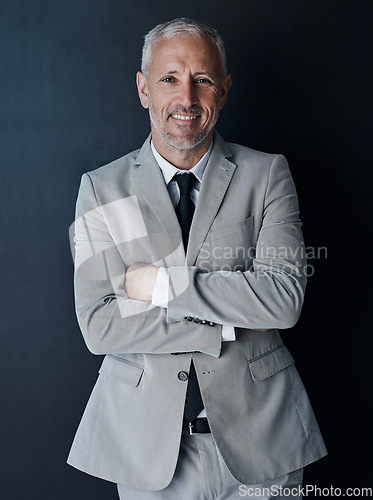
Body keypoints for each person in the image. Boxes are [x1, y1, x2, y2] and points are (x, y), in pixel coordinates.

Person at [67, 17, 327, 499]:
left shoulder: (266, 175)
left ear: (223, 91)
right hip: (147, 452)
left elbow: (284, 300)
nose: (186, 98)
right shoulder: (101, 190)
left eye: (202, 80)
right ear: (144, 89)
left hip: (263, 444)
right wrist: (229, 321)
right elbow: (100, 324)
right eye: (169, 79)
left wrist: (161, 288)